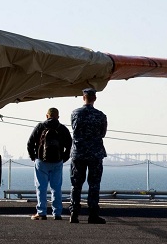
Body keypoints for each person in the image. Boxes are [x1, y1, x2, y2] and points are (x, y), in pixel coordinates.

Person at [69, 88, 107, 224]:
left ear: (83, 97)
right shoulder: (101, 116)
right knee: (94, 184)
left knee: (76, 184)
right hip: (95, 153)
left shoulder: (75, 113)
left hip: (78, 153)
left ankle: (74, 213)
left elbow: (74, 130)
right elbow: (102, 134)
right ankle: (93, 214)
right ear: (94, 98)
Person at [26, 108, 72, 220]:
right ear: (58, 116)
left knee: (41, 187)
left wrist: (34, 157)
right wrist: (63, 158)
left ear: (47, 116)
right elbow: (70, 145)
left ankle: (41, 212)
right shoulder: (62, 128)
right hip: (57, 161)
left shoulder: (40, 127)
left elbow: (30, 143)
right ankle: (57, 213)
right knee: (56, 188)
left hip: (41, 161)